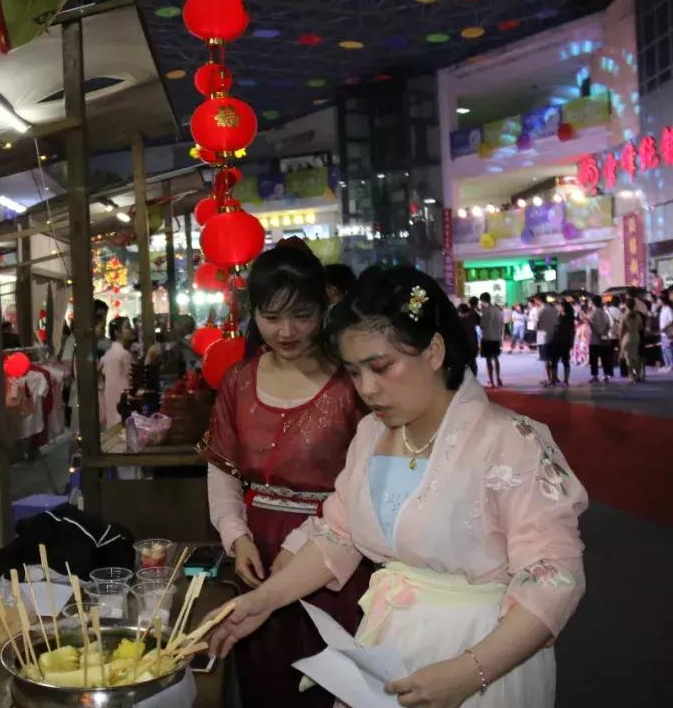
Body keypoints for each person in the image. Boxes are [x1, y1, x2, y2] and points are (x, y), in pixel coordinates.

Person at [209, 266, 587, 708]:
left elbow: (554, 576)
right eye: (353, 372)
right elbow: (338, 534)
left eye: (381, 367)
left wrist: (469, 672)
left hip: (483, 651)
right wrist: (266, 600)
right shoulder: (371, 435)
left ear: (433, 351)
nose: (367, 388)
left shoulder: (510, 441)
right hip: (391, 642)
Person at [199, 238, 369, 708]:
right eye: (272, 318)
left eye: (302, 315)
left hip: (335, 555)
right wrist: (237, 537)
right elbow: (223, 470)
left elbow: (367, 488)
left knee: (332, 680)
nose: (288, 331)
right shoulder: (238, 381)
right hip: (257, 550)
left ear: (324, 310)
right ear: (254, 314)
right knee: (265, 684)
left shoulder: (351, 383)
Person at [99, 316, 134, 429]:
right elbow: (130, 378)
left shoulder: (107, 355)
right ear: (117, 333)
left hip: (109, 397)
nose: (130, 330)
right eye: (127, 327)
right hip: (123, 397)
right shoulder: (124, 354)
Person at [546, 300, 575, 387]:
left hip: (558, 341)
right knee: (565, 361)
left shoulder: (562, 318)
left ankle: (554, 380)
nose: (558, 307)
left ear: (563, 308)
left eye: (560, 306)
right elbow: (572, 332)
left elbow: (556, 329)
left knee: (554, 361)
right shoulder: (570, 318)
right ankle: (566, 380)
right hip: (566, 342)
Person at [584, 301, 613, 383]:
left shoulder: (592, 314)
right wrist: (604, 333)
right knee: (605, 359)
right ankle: (606, 375)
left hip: (594, 340)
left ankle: (595, 376)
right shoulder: (605, 314)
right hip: (604, 339)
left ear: (593, 304)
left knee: (594, 359)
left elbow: (591, 325)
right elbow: (608, 325)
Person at [478, 293, 504, 388]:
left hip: (487, 337)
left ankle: (491, 381)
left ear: (483, 300)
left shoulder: (485, 311)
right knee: (496, 358)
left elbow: (482, 325)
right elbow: (501, 323)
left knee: (488, 360)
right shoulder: (498, 309)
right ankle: (498, 379)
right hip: (496, 337)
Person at [620, 298, 646, 383]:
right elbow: (641, 327)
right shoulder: (638, 316)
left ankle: (631, 376)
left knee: (628, 358)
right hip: (636, 336)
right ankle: (638, 374)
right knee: (636, 357)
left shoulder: (624, 316)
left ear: (626, 306)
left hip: (627, 337)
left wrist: (620, 340)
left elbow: (622, 330)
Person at [536, 298, 559, 385]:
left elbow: (536, 325)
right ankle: (554, 377)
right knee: (553, 359)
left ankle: (548, 378)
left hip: (543, 337)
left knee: (546, 359)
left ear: (539, 300)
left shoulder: (541, 310)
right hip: (553, 336)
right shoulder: (554, 310)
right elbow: (557, 323)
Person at [457, 301, 479, 378]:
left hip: (465, 346)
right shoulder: (472, 319)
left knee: (465, 364)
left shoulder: (460, 321)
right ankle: (473, 378)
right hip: (473, 344)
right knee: (472, 363)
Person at [659, 294, 673, 372]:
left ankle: (671, 365)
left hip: (667, 333)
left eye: (659, 300)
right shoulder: (662, 309)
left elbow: (672, 320)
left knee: (668, 349)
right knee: (664, 349)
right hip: (663, 333)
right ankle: (667, 365)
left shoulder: (668, 309)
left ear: (662, 300)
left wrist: (665, 327)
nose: (658, 301)